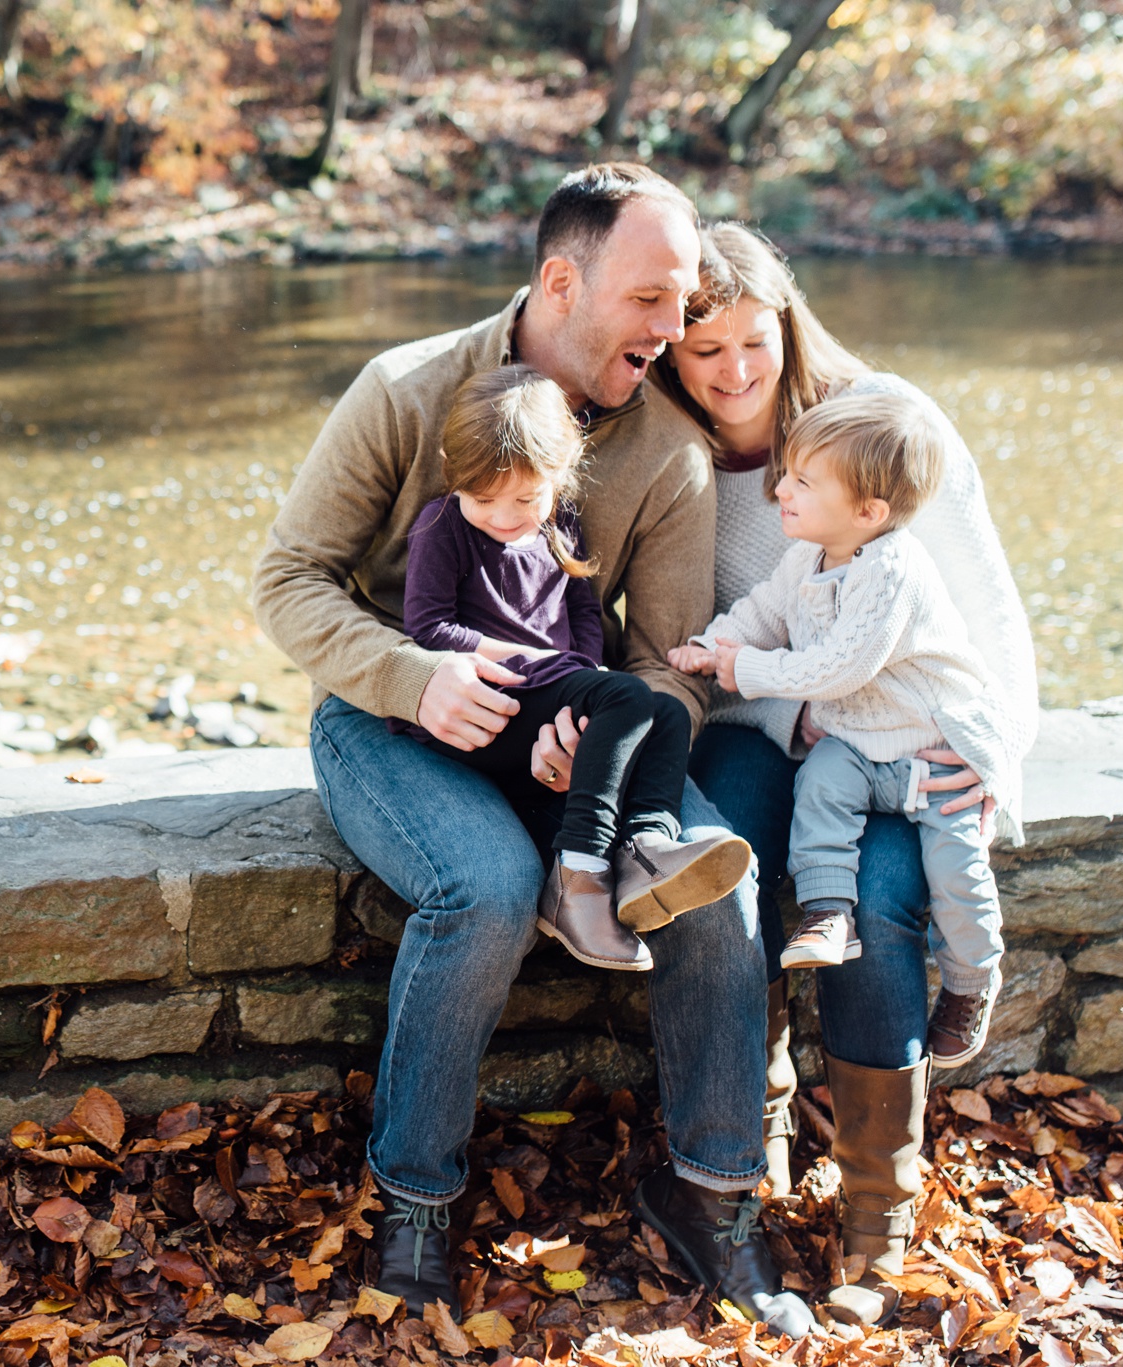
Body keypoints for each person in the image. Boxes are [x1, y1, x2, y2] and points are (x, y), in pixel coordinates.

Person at [252, 164, 816, 1339]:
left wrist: (587, 720)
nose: (676, 330)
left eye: (686, 302)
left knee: (719, 886)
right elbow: (287, 579)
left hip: (572, 734)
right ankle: (413, 1199)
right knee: (486, 889)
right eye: (653, 300)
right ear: (561, 281)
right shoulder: (405, 389)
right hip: (390, 719)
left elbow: (668, 657)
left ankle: (710, 1196)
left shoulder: (664, 446)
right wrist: (415, 675)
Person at [635, 221, 1038, 1328]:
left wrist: (992, 755)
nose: (729, 372)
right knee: (736, 872)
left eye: (748, 342)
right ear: (669, 350)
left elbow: (987, 613)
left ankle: (876, 1216)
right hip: (754, 729)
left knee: (872, 903)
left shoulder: (881, 428)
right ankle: (739, 1144)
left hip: (901, 740)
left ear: (787, 320)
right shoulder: (672, 457)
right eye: (699, 349)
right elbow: (697, 636)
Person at [668, 389, 1014, 1066]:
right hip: (857, 746)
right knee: (821, 788)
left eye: (803, 480)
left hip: (931, 751)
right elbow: (762, 611)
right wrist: (715, 646)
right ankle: (828, 912)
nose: (782, 489)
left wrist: (747, 671)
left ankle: (974, 979)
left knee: (957, 876)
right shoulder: (811, 554)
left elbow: (839, 669)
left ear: (869, 511)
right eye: (787, 472)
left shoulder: (893, 569)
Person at [403, 364, 750, 969]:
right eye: (484, 499)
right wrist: (524, 659)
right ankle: (581, 870)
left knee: (664, 709)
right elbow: (428, 627)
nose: (506, 516)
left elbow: (585, 612)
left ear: (560, 475)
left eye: (525, 498)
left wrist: (582, 675)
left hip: (558, 686)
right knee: (628, 700)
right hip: (491, 699)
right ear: (452, 472)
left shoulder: (561, 524)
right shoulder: (441, 527)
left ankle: (648, 845)